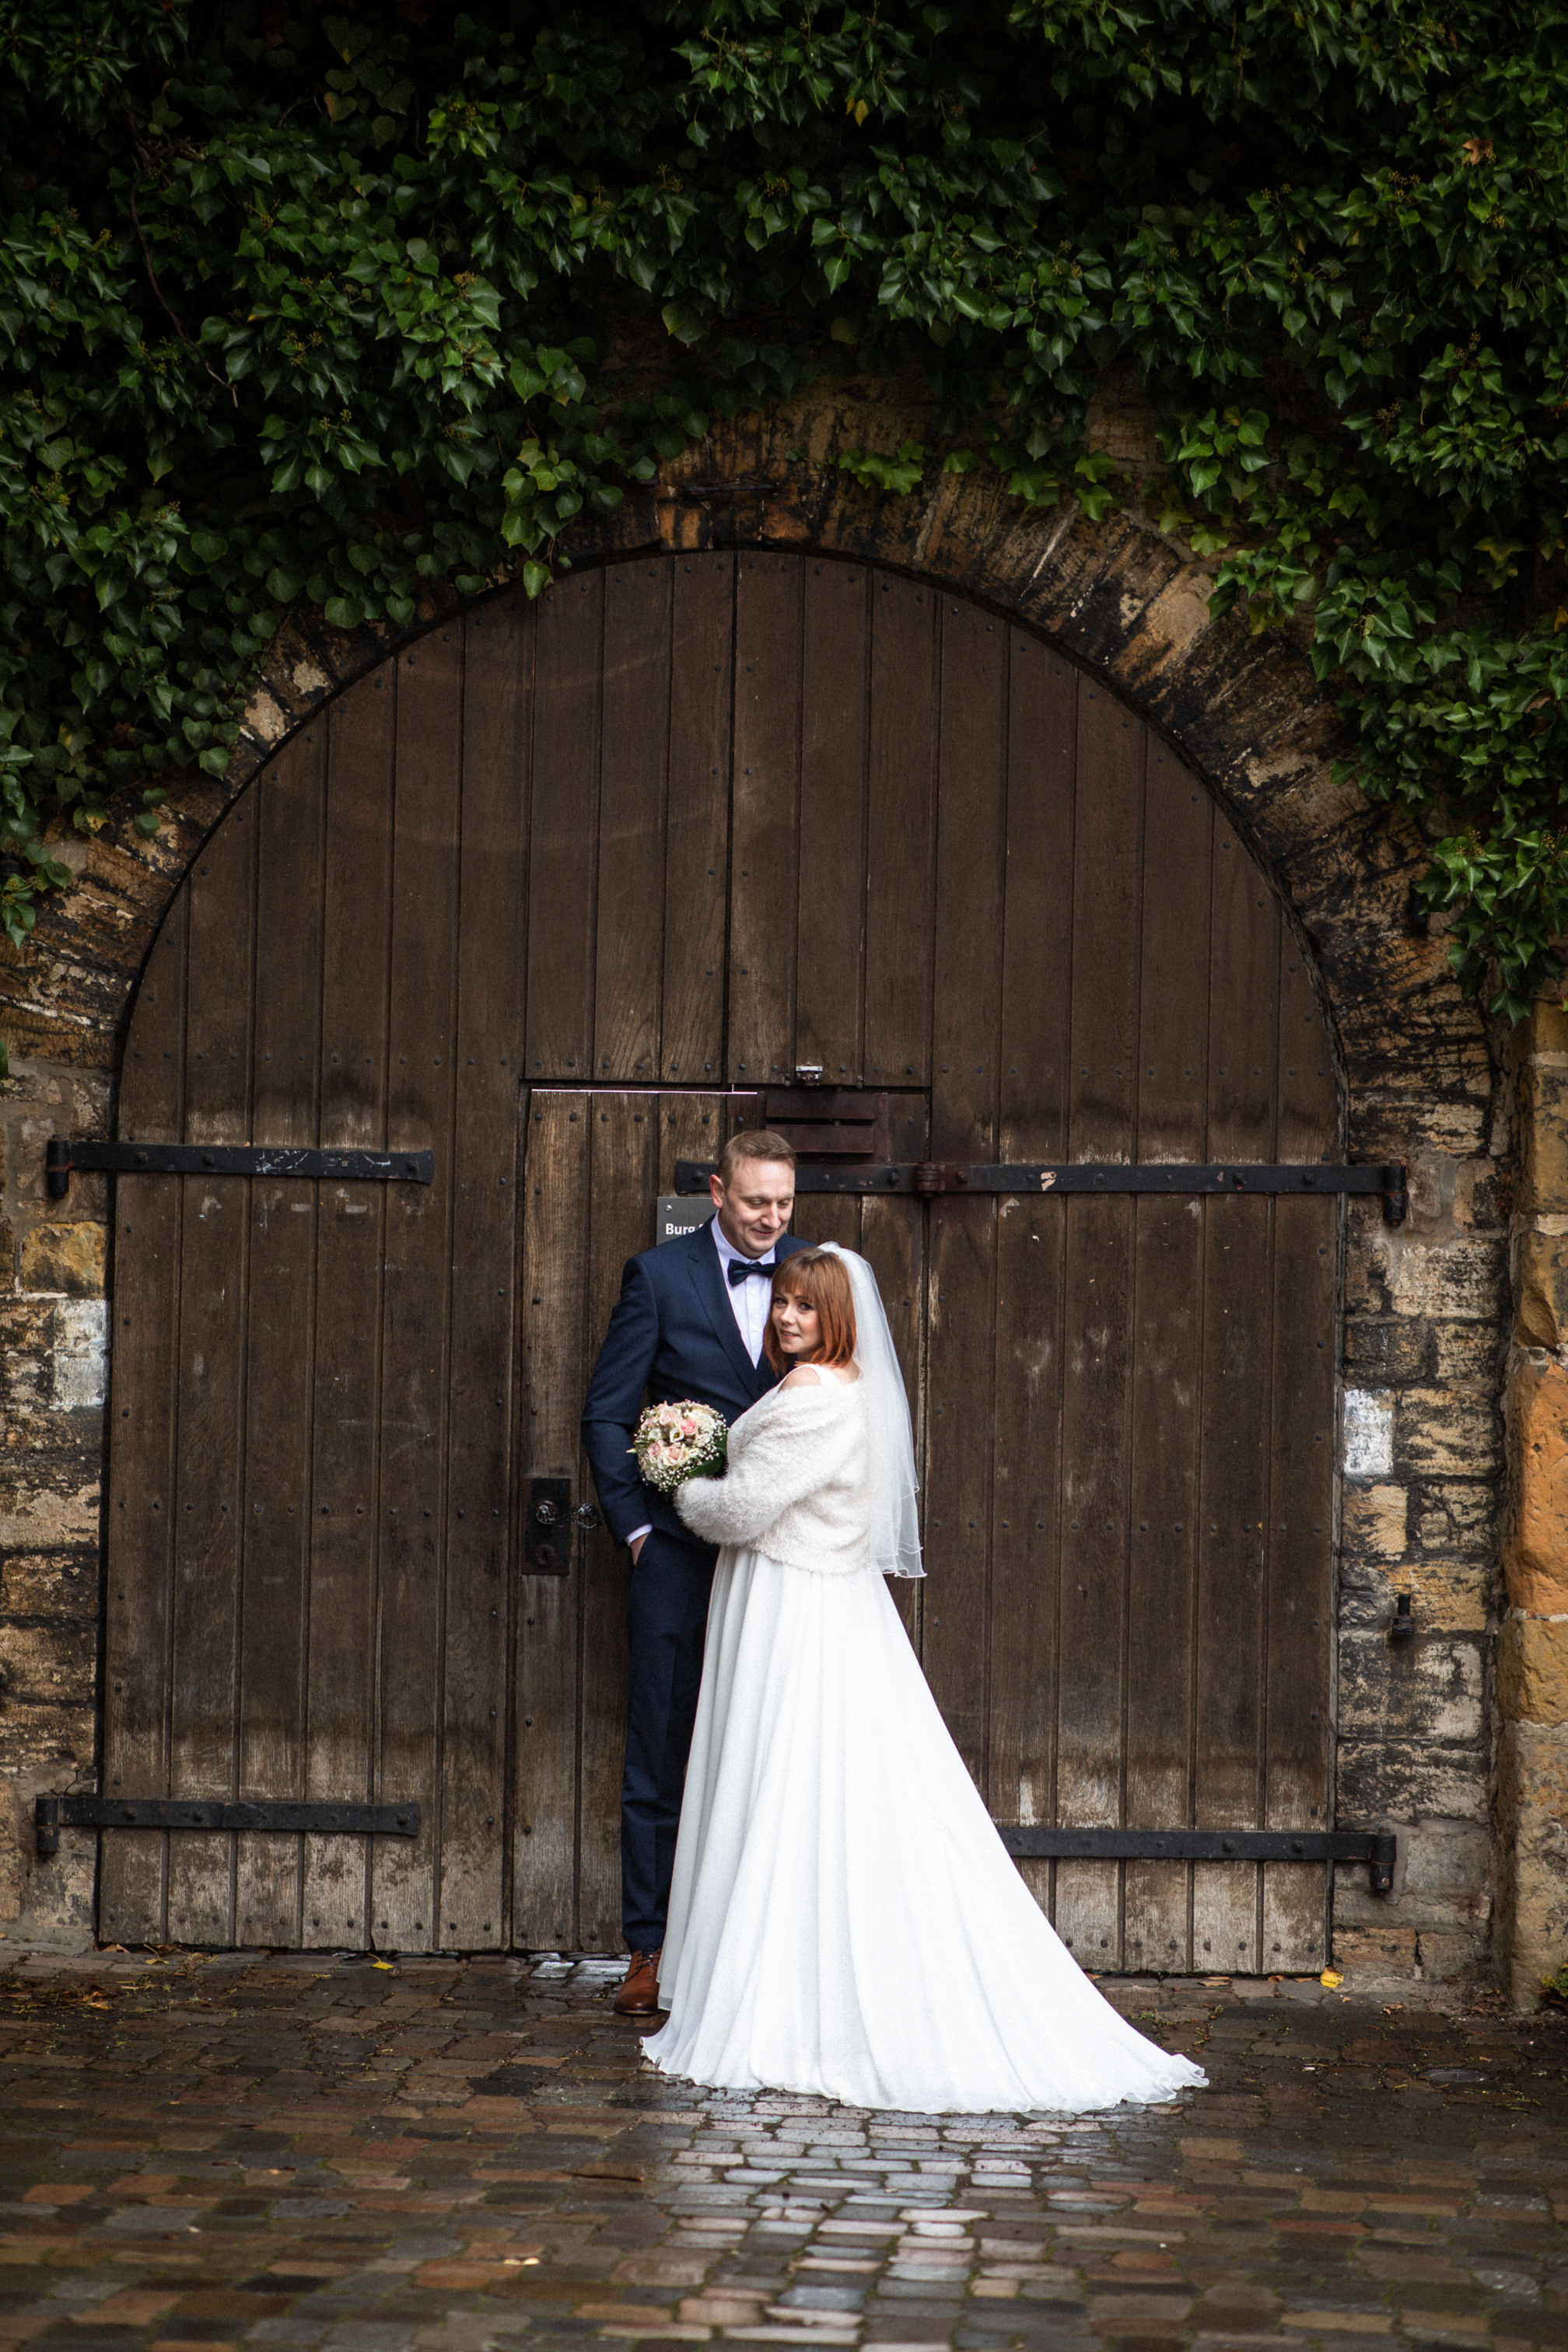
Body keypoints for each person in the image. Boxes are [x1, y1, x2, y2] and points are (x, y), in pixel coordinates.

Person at [642, 1245, 1208, 2114]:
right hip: (819, 1602)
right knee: (810, 1790)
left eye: (805, 1307)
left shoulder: (811, 1397)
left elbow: (745, 1509)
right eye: (783, 1303)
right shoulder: (845, 1386)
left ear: (838, 1318)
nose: (787, 1318)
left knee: (784, 1784)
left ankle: (782, 1993)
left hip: (792, 1608)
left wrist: (684, 1487)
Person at [581, 1130, 814, 2018]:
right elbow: (608, 1414)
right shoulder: (659, 1276)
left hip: (783, 1557)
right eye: (757, 1202)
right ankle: (648, 1951)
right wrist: (636, 1528)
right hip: (676, 1554)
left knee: (776, 1749)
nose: (772, 1220)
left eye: (785, 1203)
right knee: (660, 1750)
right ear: (718, 1191)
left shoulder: (814, 1274)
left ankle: (769, 1955)